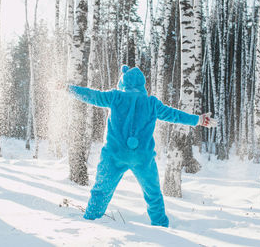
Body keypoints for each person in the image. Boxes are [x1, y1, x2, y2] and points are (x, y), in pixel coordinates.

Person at [67, 65, 216, 227]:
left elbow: (92, 96)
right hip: (143, 158)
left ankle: (90, 222)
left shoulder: (116, 97)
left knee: (101, 191)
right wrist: (198, 120)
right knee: (153, 194)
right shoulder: (151, 103)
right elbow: (174, 115)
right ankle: (160, 227)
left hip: (114, 155)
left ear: (123, 82)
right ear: (142, 85)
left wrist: (69, 88)